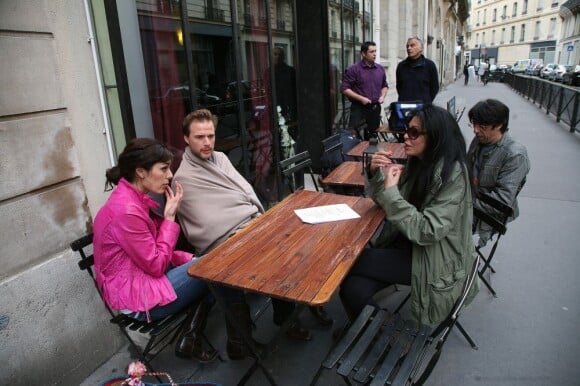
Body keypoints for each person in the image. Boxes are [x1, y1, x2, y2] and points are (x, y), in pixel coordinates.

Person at [173, 109, 333, 354]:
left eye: (211, 136)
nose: (207, 143)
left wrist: (250, 219)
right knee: (281, 256)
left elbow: (244, 192)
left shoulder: (221, 158)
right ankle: (250, 336)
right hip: (224, 243)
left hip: (250, 228)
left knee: (298, 241)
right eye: (199, 137)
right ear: (186, 138)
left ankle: (288, 315)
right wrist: (243, 219)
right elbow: (206, 223)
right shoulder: (184, 178)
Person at [340, 105, 478, 326]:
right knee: (353, 287)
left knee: (349, 261)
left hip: (433, 258)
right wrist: (376, 175)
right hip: (406, 244)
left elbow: (428, 231)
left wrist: (392, 193)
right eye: (406, 129)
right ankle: (382, 336)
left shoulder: (453, 174)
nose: (405, 136)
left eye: (414, 132)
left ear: (436, 137)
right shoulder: (420, 163)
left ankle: (374, 335)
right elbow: (386, 203)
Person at [92, 138, 218, 363]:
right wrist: (170, 217)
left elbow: (155, 251)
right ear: (141, 172)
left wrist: (191, 259)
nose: (170, 175)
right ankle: (203, 338)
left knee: (212, 266)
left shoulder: (133, 199)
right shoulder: (126, 211)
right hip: (139, 301)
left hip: (145, 280)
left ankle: (191, 337)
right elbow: (157, 264)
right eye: (163, 168)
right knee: (214, 268)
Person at [466, 99, 530, 247]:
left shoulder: (514, 155)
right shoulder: (480, 139)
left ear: (499, 125)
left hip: (485, 216)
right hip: (469, 200)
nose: (475, 130)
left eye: (482, 126)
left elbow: (501, 202)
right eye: (473, 124)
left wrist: (462, 202)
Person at [341, 41, 389, 140]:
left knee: (372, 137)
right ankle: (355, 155)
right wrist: (361, 98)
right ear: (363, 53)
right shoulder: (354, 69)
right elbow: (344, 89)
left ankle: (371, 155)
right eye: (371, 52)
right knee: (354, 137)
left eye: (375, 51)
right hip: (359, 108)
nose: (375, 54)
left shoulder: (380, 69)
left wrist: (382, 96)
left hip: (375, 108)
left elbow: (385, 86)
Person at [396, 36, 439, 104]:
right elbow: (399, 87)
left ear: (421, 48)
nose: (409, 48)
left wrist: (426, 101)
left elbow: (435, 87)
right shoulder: (401, 66)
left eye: (412, 45)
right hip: (405, 108)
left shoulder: (430, 65)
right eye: (407, 46)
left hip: (423, 109)